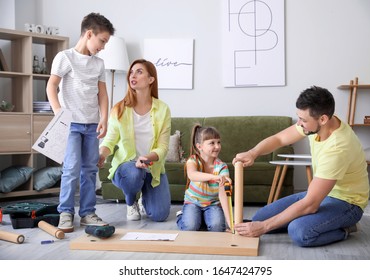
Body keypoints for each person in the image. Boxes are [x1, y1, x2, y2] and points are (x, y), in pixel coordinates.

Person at [233, 86, 370, 247]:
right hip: (321, 193)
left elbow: (311, 204)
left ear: (323, 119)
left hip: (347, 203)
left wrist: (264, 227)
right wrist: (252, 153)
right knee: (260, 218)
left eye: (303, 120)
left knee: (299, 232)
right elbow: (279, 139)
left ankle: (346, 228)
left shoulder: (338, 148)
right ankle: (307, 219)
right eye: (299, 117)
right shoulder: (317, 124)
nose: (299, 124)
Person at [46, 12, 115, 232]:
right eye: (102, 41)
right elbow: (51, 86)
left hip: (92, 125)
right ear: (89, 34)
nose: (103, 46)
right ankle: (65, 212)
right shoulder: (65, 57)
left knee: (90, 170)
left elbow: (102, 95)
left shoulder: (99, 64)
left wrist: (104, 119)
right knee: (71, 169)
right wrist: (59, 113)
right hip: (72, 124)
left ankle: (87, 213)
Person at [98, 59, 171, 222]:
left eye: (139, 72)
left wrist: (146, 159)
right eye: (131, 72)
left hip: (151, 167)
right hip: (127, 168)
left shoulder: (163, 109)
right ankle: (131, 203)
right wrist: (102, 154)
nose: (133, 75)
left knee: (160, 215)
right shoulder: (119, 108)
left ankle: (143, 198)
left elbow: (163, 147)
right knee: (134, 172)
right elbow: (109, 141)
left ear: (151, 79)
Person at [176, 124, 233, 232]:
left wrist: (230, 223)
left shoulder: (222, 167)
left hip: (212, 204)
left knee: (218, 228)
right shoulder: (193, 160)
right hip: (193, 202)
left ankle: (202, 220)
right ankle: (181, 216)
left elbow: (223, 195)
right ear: (199, 146)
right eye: (212, 143)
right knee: (190, 227)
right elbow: (192, 175)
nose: (217, 146)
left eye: (218, 142)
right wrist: (214, 177)